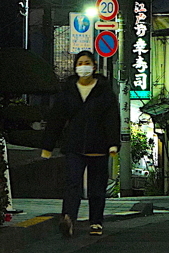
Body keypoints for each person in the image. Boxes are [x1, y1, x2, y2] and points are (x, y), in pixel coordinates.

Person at [41, 51, 120, 238]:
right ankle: (68, 218)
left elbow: (111, 119)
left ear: (94, 66)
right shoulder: (68, 91)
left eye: (87, 63)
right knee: (72, 184)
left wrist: (113, 143)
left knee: (97, 187)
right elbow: (56, 120)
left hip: (99, 147)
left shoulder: (104, 91)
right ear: (76, 67)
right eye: (80, 63)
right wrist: (47, 146)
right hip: (74, 145)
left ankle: (96, 221)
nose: (83, 66)